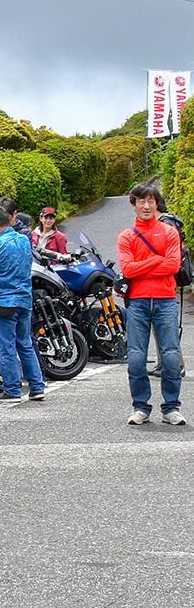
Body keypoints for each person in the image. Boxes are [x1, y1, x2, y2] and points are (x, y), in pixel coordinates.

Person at [117, 182, 185, 426]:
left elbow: (173, 266)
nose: (146, 206)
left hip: (166, 300)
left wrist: (143, 266)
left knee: (170, 357)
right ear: (133, 204)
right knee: (135, 358)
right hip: (137, 302)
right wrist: (157, 259)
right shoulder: (126, 236)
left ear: (156, 204)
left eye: (151, 201)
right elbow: (127, 269)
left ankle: (171, 407)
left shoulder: (169, 232)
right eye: (141, 201)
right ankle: (141, 406)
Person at [0, 205, 45, 404]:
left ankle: (12, 390)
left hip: (4, 300)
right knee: (25, 344)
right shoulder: (24, 240)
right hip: (25, 298)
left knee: (6, 347)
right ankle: (37, 387)